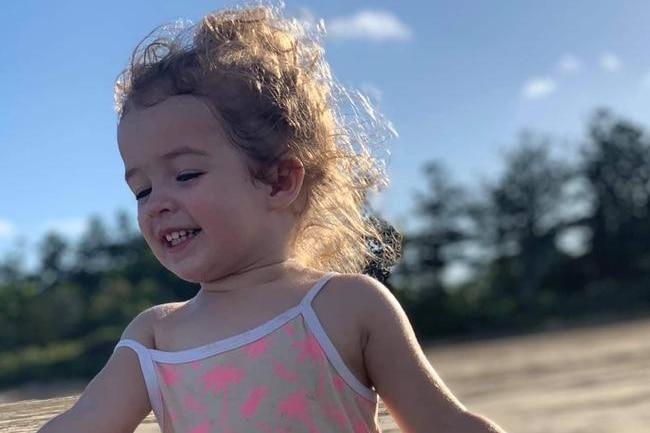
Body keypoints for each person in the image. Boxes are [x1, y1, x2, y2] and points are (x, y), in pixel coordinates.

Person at [38, 4, 506, 433]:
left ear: (278, 180)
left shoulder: (346, 307)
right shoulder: (155, 336)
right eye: (141, 188)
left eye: (185, 174)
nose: (155, 202)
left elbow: (445, 424)